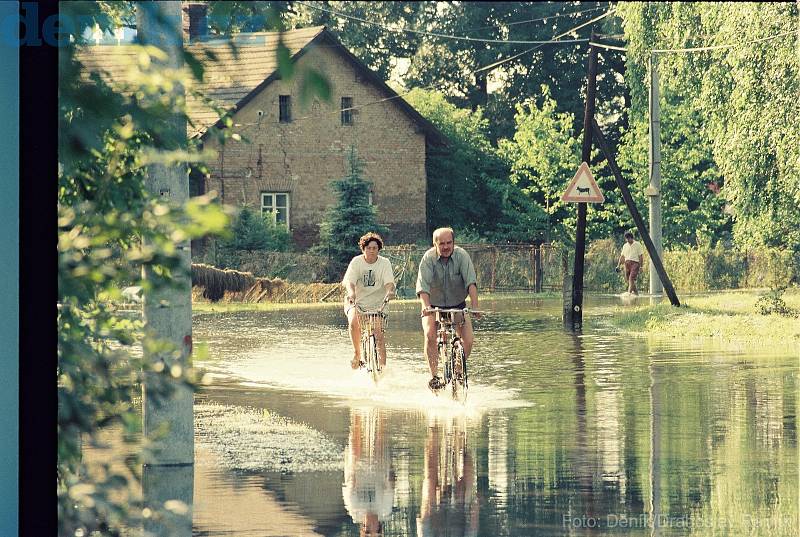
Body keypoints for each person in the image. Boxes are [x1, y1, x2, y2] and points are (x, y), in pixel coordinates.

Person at [415, 227, 480, 391]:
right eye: (441, 243)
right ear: (434, 244)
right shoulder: (428, 258)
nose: (445, 247)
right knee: (430, 335)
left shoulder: (462, 256)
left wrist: (475, 305)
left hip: (457, 304)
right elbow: (423, 287)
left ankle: (456, 370)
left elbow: (471, 282)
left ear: (454, 242)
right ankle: (434, 376)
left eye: (449, 243)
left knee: (469, 340)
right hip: (433, 305)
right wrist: (426, 306)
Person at [342, 232, 396, 370]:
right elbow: (349, 282)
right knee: (354, 322)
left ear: (379, 249)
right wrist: (352, 293)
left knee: (378, 333)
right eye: (369, 248)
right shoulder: (356, 262)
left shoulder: (384, 263)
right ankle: (357, 354)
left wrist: (390, 291)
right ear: (363, 249)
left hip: (378, 304)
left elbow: (389, 283)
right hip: (357, 302)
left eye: (375, 248)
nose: (372, 251)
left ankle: (382, 369)